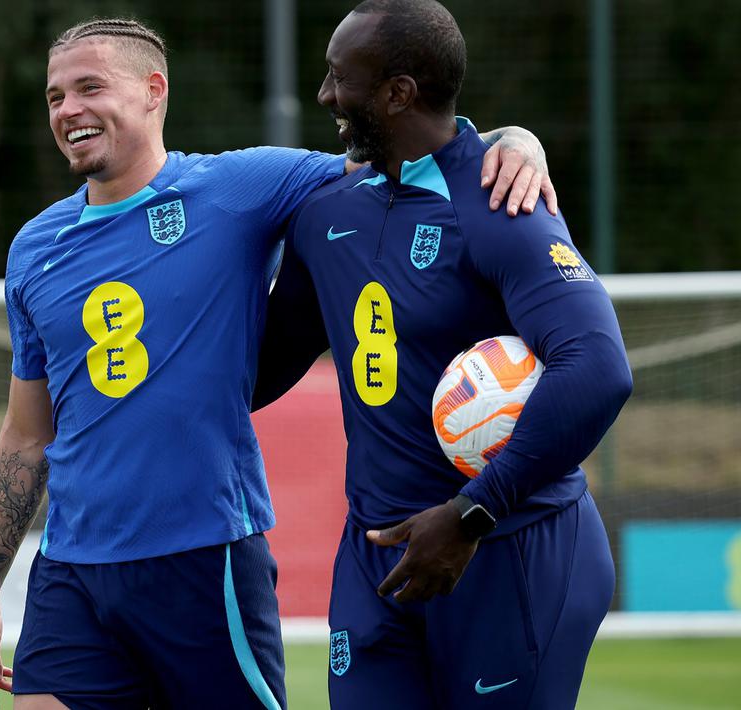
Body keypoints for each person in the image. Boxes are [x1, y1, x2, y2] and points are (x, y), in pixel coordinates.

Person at [0, 17, 554, 710]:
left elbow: (407, 151)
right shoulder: (35, 248)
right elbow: (26, 436)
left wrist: (514, 141)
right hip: (71, 570)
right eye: (54, 96)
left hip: (204, 559)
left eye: (89, 87)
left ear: (154, 91)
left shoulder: (240, 188)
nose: (67, 110)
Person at [252, 1, 633, 707]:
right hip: (376, 555)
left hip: (507, 548)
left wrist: (471, 515)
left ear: (398, 92)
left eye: (340, 78)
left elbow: (598, 368)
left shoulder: (501, 201)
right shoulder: (323, 210)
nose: (325, 96)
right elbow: (260, 368)